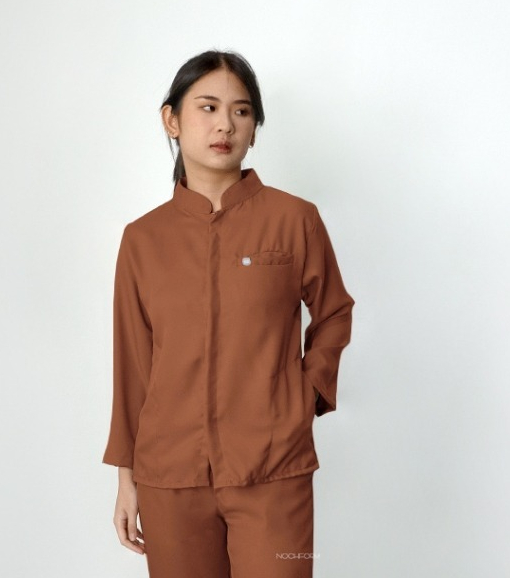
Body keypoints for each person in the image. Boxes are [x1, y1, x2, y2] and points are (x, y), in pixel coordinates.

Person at [102, 49, 355, 578]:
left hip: (273, 468)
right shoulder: (143, 239)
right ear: (172, 120)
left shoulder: (295, 220)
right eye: (208, 107)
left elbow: (334, 311)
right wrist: (126, 478)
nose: (225, 125)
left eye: (241, 111)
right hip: (169, 475)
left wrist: (307, 393)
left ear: (254, 129)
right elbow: (133, 363)